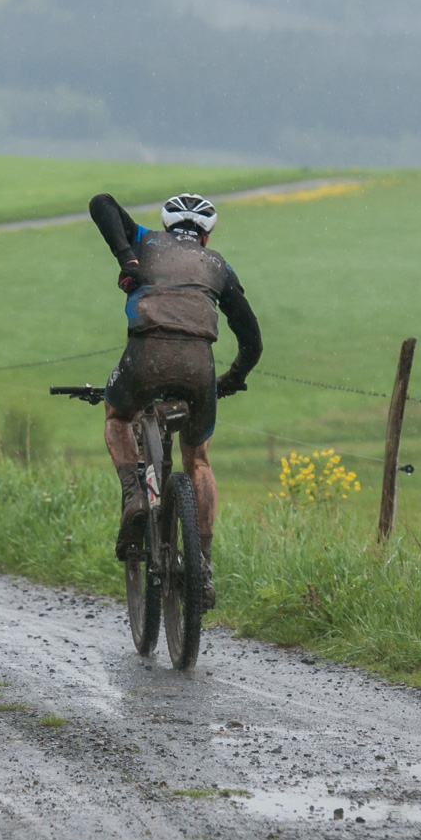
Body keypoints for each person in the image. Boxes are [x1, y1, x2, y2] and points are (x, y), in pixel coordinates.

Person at [87, 191, 262, 607]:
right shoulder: (218, 265)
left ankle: (134, 495)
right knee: (198, 458)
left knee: (117, 415)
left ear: (167, 226)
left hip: (145, 355)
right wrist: (232, 379)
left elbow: (101, 203)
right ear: (206, 236)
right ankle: (201, 569)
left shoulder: (146, 241)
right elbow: (252, 339)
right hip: (199, 367)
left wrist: (127, 260)